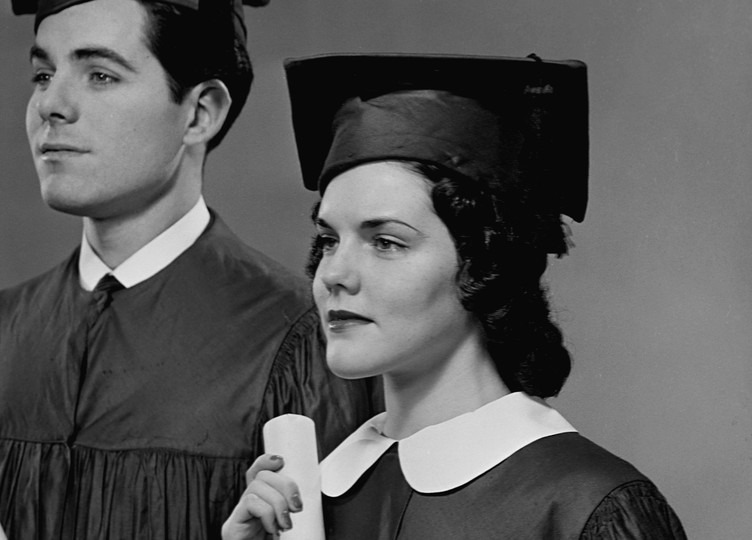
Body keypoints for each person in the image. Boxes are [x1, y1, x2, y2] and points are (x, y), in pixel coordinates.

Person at [0, 3, 379, 539]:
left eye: (100, 75)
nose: (50, 106)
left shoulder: (298, 344)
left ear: (200, 112)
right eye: (43, 74)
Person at [222, 53, 687, 539]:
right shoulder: (312, 502)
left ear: (483, 263)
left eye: (386, 242)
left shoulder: (583, 507)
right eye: (328, 240)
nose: (333, 273)